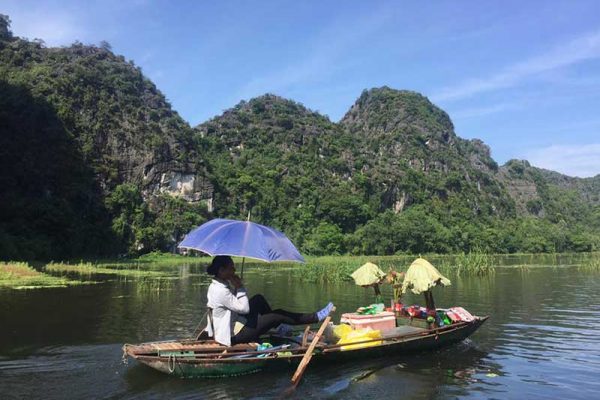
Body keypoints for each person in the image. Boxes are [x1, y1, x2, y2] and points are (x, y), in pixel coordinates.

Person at [205, 255, 334, 346]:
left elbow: (233, 304)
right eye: (231, 268)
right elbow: (244, 309)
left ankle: (279, 328)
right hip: (233, 336)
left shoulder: (218, 285)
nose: (234, 270)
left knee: (258, 299)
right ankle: (315, 317)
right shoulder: (220, 290)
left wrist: (236, 287)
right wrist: (240, 287)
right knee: (277, 315)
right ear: (221, 270)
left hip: (234, 324)